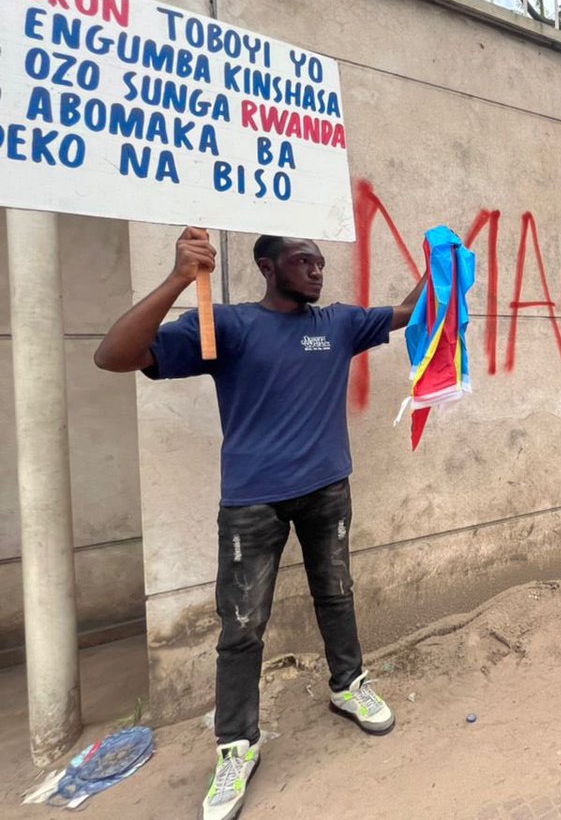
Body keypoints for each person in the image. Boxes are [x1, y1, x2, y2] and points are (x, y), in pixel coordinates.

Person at [94, 228, 425, 820]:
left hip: (328, 490)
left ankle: (348, 687)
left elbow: (408, 312)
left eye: (320, 262)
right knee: (243, 626)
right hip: (253, 505)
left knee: (337, 595)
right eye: (303, 261)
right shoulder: (228, 325)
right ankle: (236, 747)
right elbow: (114, 355)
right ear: (268, 268)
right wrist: (178, 277)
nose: (317, 270)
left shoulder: (338, 324)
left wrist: (440, 267)